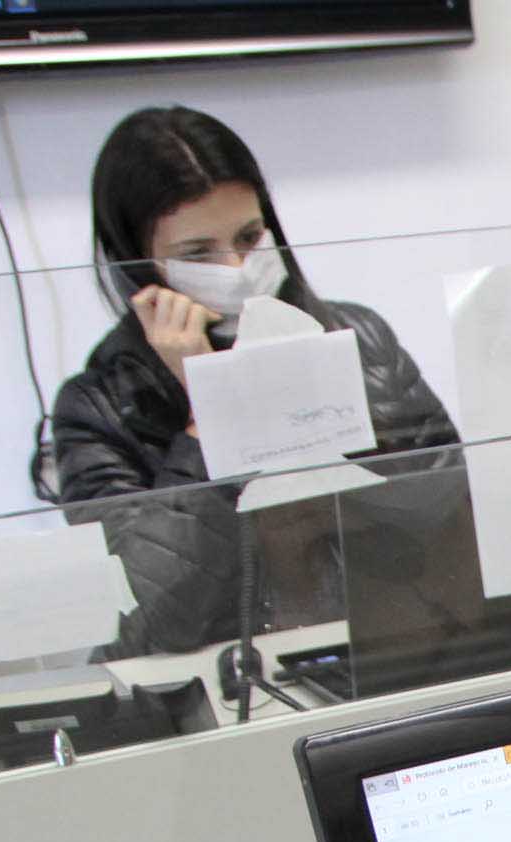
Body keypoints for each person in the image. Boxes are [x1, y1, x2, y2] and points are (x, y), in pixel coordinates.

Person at [47, 106, 457, 659]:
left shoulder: (357, 337)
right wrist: (210, 404)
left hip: (382, 650)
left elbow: (453, 522)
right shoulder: (97, 407)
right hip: (226, 680)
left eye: (248, 236)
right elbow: (151, 619)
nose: (237, 266)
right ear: (139, 267)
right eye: (198, 253)